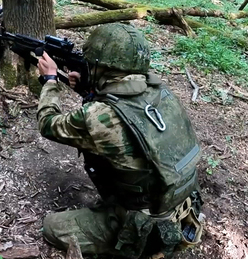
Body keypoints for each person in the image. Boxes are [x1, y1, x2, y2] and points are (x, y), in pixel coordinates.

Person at [36, 23, 204, 259]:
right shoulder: (161, 92)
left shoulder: (99, 116)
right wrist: (89, 88)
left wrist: (51, 80)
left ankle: (127, 244)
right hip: (181, 205)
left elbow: (48, 124)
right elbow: (126, 112)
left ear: (101, 67)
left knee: (52, 227)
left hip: (145, 226)